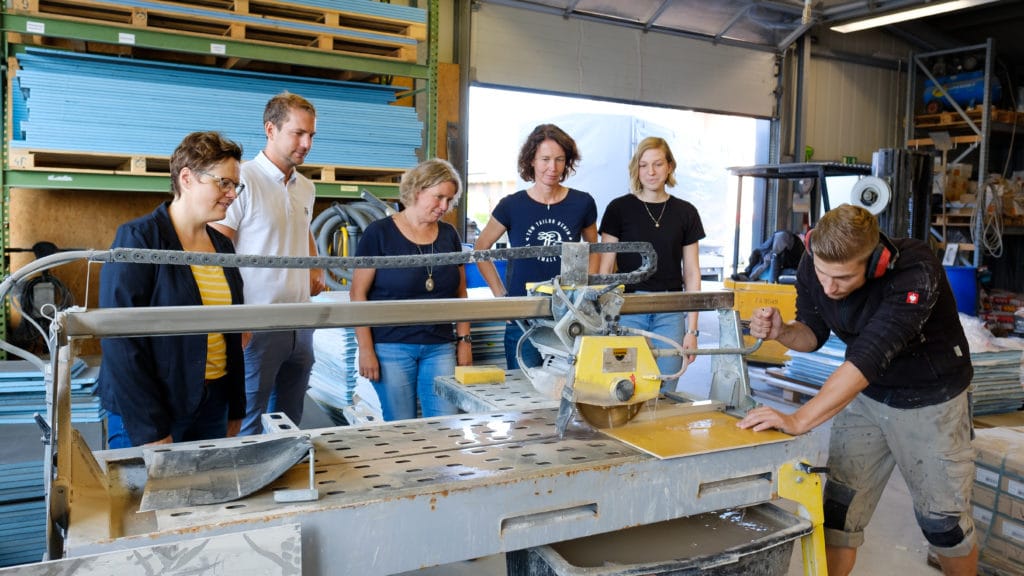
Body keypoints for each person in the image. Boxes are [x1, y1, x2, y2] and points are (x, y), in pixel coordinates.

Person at [737, 204, 977, 576]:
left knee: (943, 525)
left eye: (843, 278)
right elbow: (813, 332)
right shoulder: (813, 265)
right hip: (867, 397)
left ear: (876, 263)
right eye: (823, 274)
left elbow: (868, 356)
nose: (830, 287)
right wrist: (783, 331)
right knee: (838, 514)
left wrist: (800, 419)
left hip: (931, 402)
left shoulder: (915, 270)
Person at [98, 131, 246, 447]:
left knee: (206, 492)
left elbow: (232, 331)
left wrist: (235, 404)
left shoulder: (222, 245)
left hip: (212, 404)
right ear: (187, 178)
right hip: (153, 406)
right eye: (224, 183)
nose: (233, 194)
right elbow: (120, 341)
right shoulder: (139, 239)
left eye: (236, 185)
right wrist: (150, 427)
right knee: (144, 495)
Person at [212, 92, 324, 435]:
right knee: (246, 421)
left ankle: (283, 481)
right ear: (270, 130)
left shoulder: (305, 187)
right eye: (297, 133)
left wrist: (315, 268)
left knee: (290, 421)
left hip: (299, 323)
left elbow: (301, 229)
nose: (306, 143)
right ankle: (245, 486)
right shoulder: (242, 180)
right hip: (255, 324)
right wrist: (235, 319)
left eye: (311, 136)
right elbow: (217, 250)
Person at [350, 159, 471, 420]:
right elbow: (357, 294)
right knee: (401, 427)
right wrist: (366, 349)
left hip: (439, 346)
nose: (444, 207)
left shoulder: (449, 235)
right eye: (438, 197)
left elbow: (461, 293)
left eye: (450, 200)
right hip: (390, 346)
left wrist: (464, 340)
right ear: (417, 191)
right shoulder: (379, 233)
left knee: (445, 423)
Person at [472, 123, 599, 369]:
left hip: (567, 314)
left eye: (560, 160)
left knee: (567, 391)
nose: (552, 168)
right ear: (531, 160)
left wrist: (585, 291)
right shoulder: (511, 205)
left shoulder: (582, 203)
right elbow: (481, 248)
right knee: (524, 394)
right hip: (522, 317)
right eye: (545, 159)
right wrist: (502, 298)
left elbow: (595, 248)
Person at [598, 137, 704, 391]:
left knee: (666, 387)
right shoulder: (618, 209)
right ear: (637, 169)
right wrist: (606, 319)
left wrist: (693, 330)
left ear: (669, 166)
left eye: (657, 164)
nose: (651, 172)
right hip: (629, 309)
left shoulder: (686, 212)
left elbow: (691, 272)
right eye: (644, 165)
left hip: (671, 309)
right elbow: (605, 270)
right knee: (625, 386)